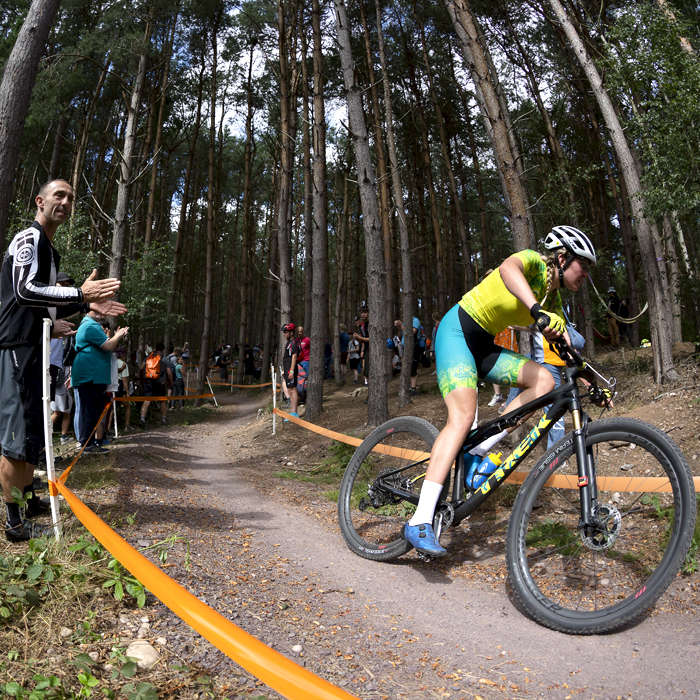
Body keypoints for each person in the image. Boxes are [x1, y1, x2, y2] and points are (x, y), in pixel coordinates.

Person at [403, 225, 596, 557]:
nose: (587, 275)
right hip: (457, 332)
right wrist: (536, 312)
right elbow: (508, 269)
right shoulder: (534, 262)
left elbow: (565, 349)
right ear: (563, 258)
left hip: (483, 346)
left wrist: (591, 379)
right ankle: (419, 519)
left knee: (544, 382)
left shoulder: (556, 298)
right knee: (462, 416)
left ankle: (476, 453)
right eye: (584, 265)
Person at [0, 179, 126, 541]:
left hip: (34, 347)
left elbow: (40, 301)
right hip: (15, 349)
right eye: (60, 195)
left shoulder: (50, 250)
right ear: (40, 201)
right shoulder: (30, 238)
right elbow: (24, 291)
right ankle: (15, 524)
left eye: (71, 198)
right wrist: (80, 293)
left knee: (31, 434)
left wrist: (82, 306)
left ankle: (29, 500)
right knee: (14, 438)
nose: (66, 202)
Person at [72, 310, 128, 453]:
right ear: (87, 310)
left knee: (92, 410)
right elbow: (108, 345)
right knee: (91, 411)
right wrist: (118, 335)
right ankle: (87, 444)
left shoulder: (89, 325)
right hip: (91, 376)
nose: (101, 314)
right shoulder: (91, 326)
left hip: (92, 375)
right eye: (97, 310)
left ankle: (87, 444)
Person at [139, 342, 173, 426]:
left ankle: (142, 419)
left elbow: (141, 368)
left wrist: (142, 377)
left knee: (146, 400)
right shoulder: (165, 358)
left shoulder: (148, 357)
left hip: (149, 381)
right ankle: (163, 419)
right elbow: (169, 372)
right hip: (160, 382)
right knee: (162, 401)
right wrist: (170, 381)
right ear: (163, 350)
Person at [282, 323, 299, 420]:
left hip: (291, 370)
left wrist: (291, 371)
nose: (284, 334)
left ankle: (295, 413)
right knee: (289, 390)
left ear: (291, 332)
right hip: (288, 369)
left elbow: (294, 356)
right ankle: (293, 412)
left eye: (286, 332)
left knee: (293, 389)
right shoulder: (288, 343)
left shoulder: (293, 343)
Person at [116, 347, 133, 431]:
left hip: (111, 386)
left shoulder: (111, 362)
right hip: (119, 387)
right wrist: (127, 392)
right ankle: (127, 425)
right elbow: (124, 379)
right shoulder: (123, 364)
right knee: (127, 406)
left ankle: (108, 428)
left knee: (112, 409)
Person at [354, 307, 370, 385]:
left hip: (370, 350)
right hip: (366, 350)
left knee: (368, 371)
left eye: (365, 312)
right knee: (366, 371)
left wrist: (359, 338)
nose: (363, 314)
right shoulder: (362, 327)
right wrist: (357, 338)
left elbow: (371, 339)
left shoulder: (369, 324)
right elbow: (363, 340)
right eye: (362, 313)